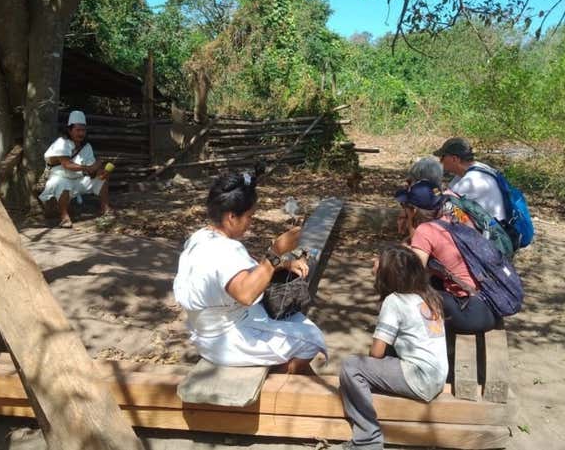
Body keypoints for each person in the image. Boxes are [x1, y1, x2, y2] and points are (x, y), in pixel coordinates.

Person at [173, 171, 327, 374]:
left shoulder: (200, 237)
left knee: (298, 322)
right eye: (249, 216)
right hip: (226, 341)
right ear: (231, 217)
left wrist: (284, 266)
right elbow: (245, 294)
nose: (251, 222)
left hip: (208, 334)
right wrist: (276, 251)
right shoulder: (226, 250)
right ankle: (277, 386)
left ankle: (288, 376)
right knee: (311, 340)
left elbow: (241, 274)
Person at [340, 246, 448, 450]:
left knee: (351, 366)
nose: (374, 262)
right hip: (437, 376)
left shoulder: (394, 301)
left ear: (388, 273)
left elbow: (376, 353)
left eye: (378, 261)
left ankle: (368, 440)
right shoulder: (428, 295)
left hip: (420, 378)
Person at [396, 180, 501, 334]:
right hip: (492, 304)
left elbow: (412, 275)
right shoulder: (455, 216)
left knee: (409, 299)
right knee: (431, 284)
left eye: (407, 208)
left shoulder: (425, 230)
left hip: (471, 315)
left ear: (414, 210)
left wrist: (402, 248)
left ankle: (397, 349)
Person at [38, 110, 112, 228]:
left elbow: (93, 168)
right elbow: (67, 164)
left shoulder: (86, 147)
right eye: (78, 130)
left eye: (83, 130)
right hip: (61, 177)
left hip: (79, 180)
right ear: (69, 130)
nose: (81, 133)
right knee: (62, 183)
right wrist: (88, 168)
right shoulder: (61, 143)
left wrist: (100, 172)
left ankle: (105, 209)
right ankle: (64, 217)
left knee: (101, 179)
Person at [434, 137, 506, 223]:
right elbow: (448, 194)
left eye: (442, 157)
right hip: (493, 225)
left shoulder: (470, 181)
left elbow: (445, 207)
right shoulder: (480, 167)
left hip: (494, 232)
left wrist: (432, 188)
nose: (440, 161)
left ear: (454, 159)